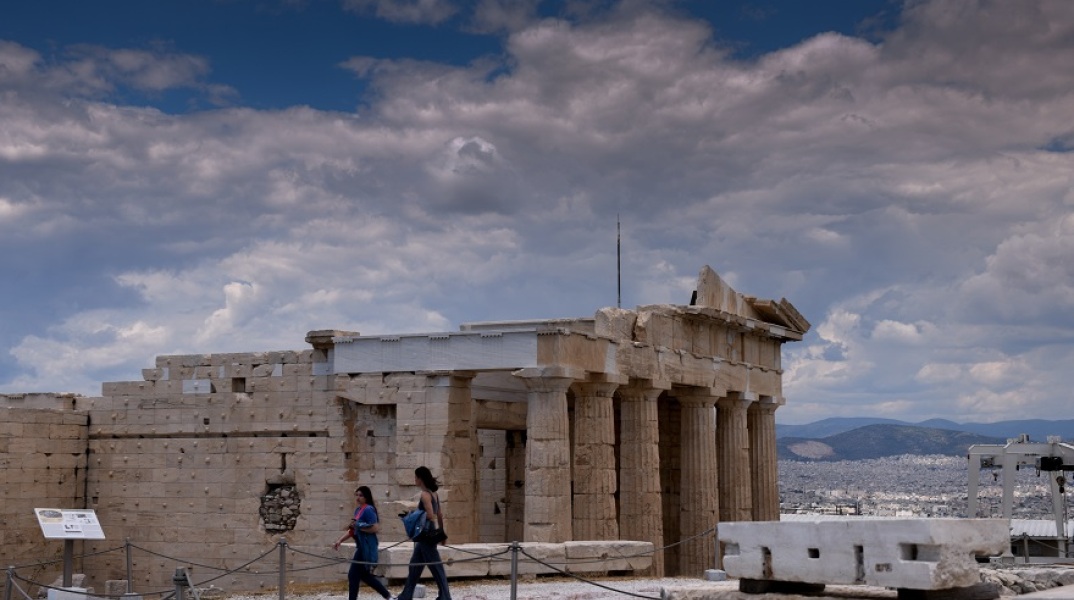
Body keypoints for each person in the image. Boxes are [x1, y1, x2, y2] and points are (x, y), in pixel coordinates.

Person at [397, 466, 451, 600]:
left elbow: (431, 515)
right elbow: (439, 514)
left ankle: (445, 596)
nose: (414, 480)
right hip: (428, 532)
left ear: (420, 478)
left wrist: (413, 516)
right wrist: (442, 533)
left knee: (436, 566)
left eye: (416, 477)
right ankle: (406, 595)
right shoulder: (434, 494)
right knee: (415, 566)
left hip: (426, 533)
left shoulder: (425, 495)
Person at [334, 486, 394, 600]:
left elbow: (375, 528)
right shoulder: (358, 510)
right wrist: (340, 540)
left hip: (366, 546)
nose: (358, 497)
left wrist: (360, 528)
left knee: (353, 575)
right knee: (365, 576)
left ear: (366, 497)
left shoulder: (369, 509)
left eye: (361, 495)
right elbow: (352, 530)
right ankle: (387, 596)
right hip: (360, 545)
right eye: (357, 495)